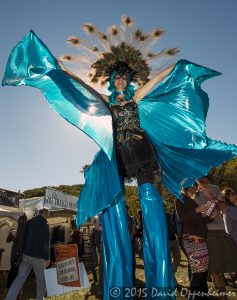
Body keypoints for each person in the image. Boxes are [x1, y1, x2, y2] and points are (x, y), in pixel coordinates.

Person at [3, 15, 237, 300]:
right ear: (112, 80)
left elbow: (155, 82)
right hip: (117, 155)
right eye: (117, 77)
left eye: (125, 76)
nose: (121, 80)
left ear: (129, 79)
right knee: (112, 207)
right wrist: (63, 69)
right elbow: (83, 88)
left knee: (150, 201)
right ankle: (117, 282)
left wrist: (174, 68)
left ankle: (160, 282)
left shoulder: (137, 96)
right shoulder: (104, 101)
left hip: (141, 152)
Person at [194, 178, 237, 299]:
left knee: (234, 265)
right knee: (214, 271)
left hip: (222, 232)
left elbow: (224, 208)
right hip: (208, 235)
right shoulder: (194, 195)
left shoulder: (214, 188)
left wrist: (211, 196)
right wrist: (210, 203)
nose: (203, 177)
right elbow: (201, 217)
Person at [5, 208, 50, 300]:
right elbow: (46, 243)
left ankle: (9, 298)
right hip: (39, 257)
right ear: (46, 214)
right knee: (41, 280)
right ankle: (39, 298)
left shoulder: (29, 221)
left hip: (26, 255)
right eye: (48, 215)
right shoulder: (45, 225)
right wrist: (47, 258)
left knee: (19, 279)